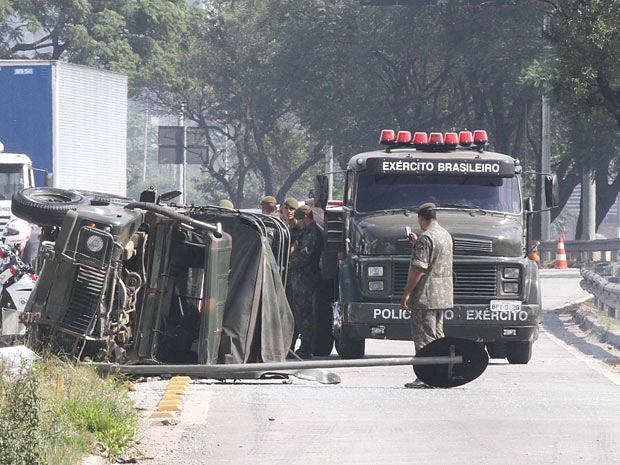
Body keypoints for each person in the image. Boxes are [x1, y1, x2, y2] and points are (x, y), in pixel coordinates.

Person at [400, 202, 453, 388]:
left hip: (425, 296)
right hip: (442, 296)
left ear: (422, 218)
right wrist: (417, 244)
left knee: (424, 338)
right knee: (438, 335)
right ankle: (441, 373)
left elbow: (419, 270)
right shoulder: (445, 235)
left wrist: (407, 293)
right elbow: (434, 258)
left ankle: (426, 376)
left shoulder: (426, 238)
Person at [288, 205, 323, 359]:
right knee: (299, 313)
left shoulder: (312, 233)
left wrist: (287, 265)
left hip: (306, 279)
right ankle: (301, 346)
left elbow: (305, 256)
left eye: (301, 220)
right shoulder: (306, 232)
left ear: (306, 218)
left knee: (305, 314)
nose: (299, 223)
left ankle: (306, 347)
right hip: (301, 279)